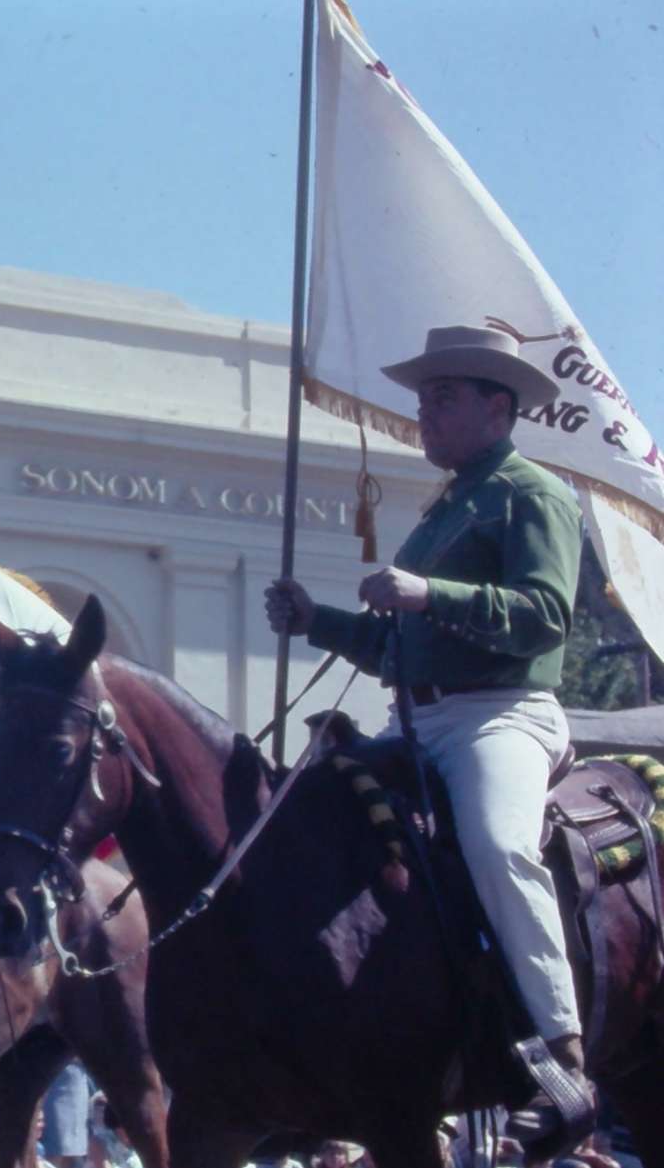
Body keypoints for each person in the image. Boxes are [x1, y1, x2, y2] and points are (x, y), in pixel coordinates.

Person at [265, 325, 588, 1146]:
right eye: (424, 398)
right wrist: (315, 620)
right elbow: (393, 647)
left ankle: (563, 1054)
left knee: (498, 844)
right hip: (415, 716)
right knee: (308, 815)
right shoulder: (448, 506)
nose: (424, 413)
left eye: (442, 397)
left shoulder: (532, 494)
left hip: (499, 714)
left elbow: (545, 617)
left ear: (497, 407)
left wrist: (427, 593)